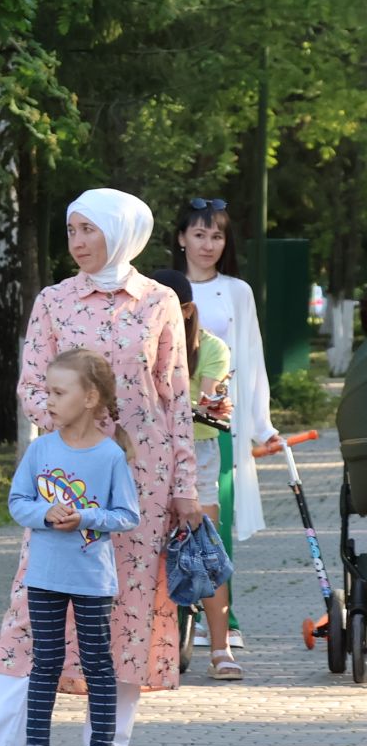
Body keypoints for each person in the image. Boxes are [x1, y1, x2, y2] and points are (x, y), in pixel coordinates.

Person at [0, 188, 199, 746]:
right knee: (33, 604)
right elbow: (32, 386)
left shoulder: (157, 302)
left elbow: (175, 398)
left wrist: (186, 487)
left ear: (121, 233)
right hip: (62, 476)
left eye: (89, 230)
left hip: (140, 479)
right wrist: (71, 418)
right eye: (71, 230)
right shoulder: (54, 301)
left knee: (126, 605)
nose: (77, 242)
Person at [2, 348, 142, 746]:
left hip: (92, 581)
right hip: (44, 577)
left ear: (89, 397)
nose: (49, 401)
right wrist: (45, 514)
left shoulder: (110, 456)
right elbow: (17, 501)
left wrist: (86, 518)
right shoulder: (41, 449)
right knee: (45, 662)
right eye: (47, 391)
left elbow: (127, 515)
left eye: (58, 392)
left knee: (98, 663)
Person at [173, 198, 283, 655]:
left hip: (216, 425)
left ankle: (225, 620)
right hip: (168, 424)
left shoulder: (236, 291)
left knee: (215, 523)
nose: (207, 244)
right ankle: (177, 621)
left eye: (216, 236)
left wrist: (261, 425)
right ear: (181, 238)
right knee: (172, 527)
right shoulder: (162, 288)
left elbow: (250, 358)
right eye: (198, 234)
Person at [148, 268, 243, 678]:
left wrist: (210, 405)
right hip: (148, 450)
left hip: (198, 446)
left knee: (205, 543)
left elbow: (208, 398)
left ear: (186, 310)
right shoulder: (137, 344)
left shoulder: (212, 349)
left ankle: (221, 648)